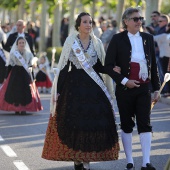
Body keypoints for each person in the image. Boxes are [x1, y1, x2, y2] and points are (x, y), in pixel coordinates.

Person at [42, 12, 120, 170]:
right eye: (85, 22)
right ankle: (77, 158)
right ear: (78, 25)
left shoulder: (96, 42)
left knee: (92, 123)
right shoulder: (71, 41)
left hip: (93, 88)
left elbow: (98, 66)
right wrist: (59, 90)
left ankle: (86, 159)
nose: (88, 25)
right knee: (75, 123)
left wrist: (112, 70)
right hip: (74, 87)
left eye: (90, 22)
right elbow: (64, 67)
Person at [105, 7, 161, 170]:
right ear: (126, 21)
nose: (139, 21)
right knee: (127, 124)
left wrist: (156, 88)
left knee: (145, 123)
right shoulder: (117, 39)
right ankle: (130, 160)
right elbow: (108, 66)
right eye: (135, 19)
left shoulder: (148, 38)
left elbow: (153, 66)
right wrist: (124, 81)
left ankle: (146, 162)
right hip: (125, 89)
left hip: (144, 88)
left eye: (140, 18)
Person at [0, 37, 42, 115]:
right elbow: (9, 66)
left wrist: (33, 76)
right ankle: (16, 108)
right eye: (20, 43)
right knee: (15, 90)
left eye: (23, 43)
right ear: (17, 44)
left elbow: (31, 66)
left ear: (25, 44)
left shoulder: (29, 54)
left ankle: (23, 108)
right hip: (15, 73)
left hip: (25, 73)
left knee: (25, 90)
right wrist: (6, 77)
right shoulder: (13, 54)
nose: (21, 44)